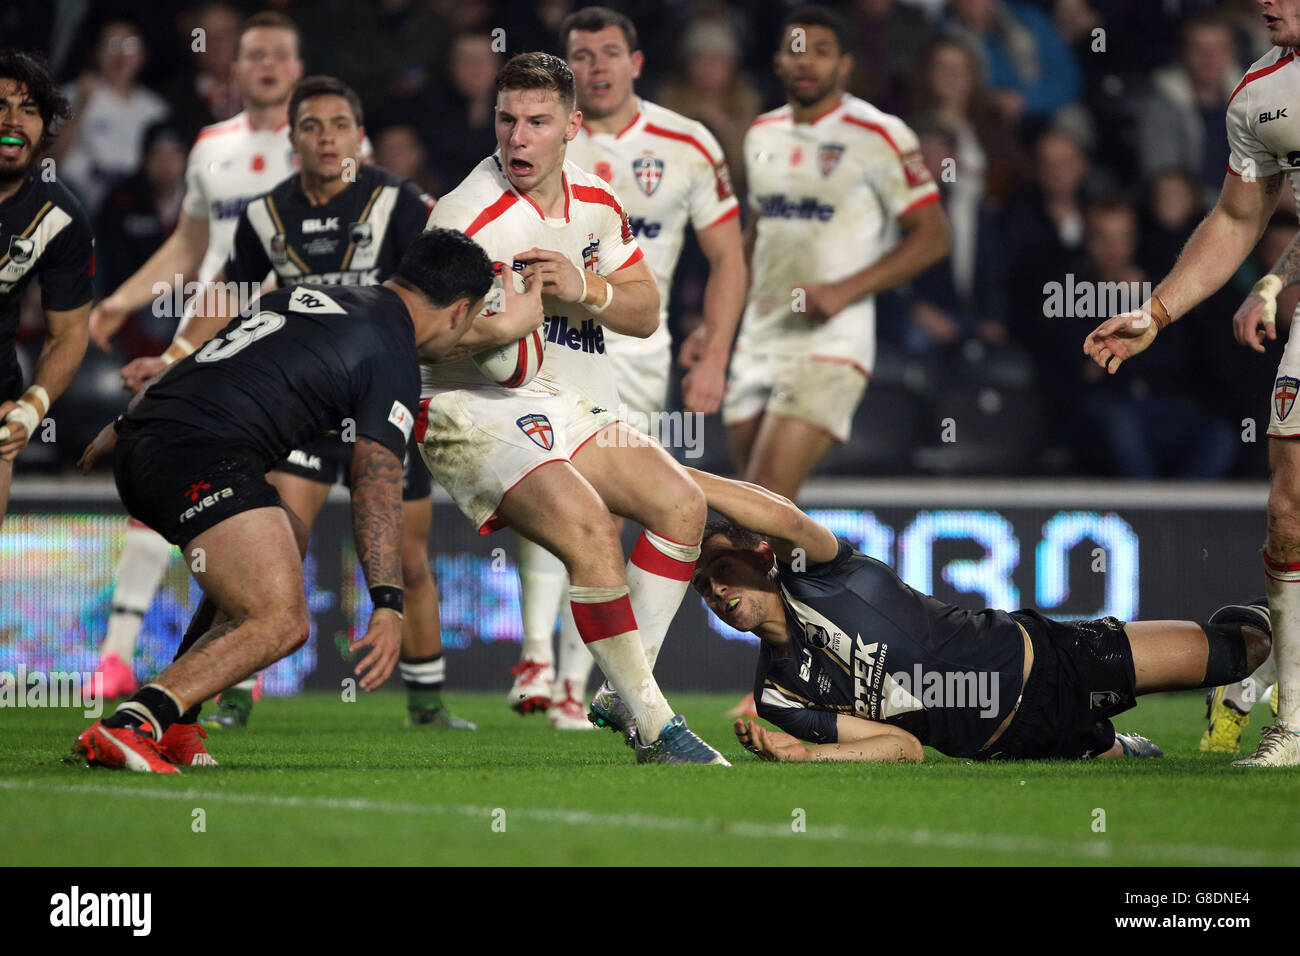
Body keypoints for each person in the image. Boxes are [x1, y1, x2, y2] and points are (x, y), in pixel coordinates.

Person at [71, 228, 510, 773]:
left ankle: (179, 720)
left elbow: (213, 357)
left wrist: (125, 420)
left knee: (288, 537)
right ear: (458, 311)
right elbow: (374, 482)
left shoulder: (315, 297)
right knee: (281, 621)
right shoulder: (393, 354)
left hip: (149, 437)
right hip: (196, 458)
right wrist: (388, 602)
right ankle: (134, 723)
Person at [119, 76, 471, 731]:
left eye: (340, 124)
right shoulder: (263, 214)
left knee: (410, 555)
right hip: (302, 407)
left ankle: (427, 703)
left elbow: (431, 294)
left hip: (379, 393)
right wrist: (172, 358)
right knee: (276, 537)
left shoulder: (401, 204)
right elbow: (229, 298)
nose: (327, 137)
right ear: (293, 138)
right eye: (312, 126)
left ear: (359, 136)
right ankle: (226, 694)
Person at [421, 51, 727, 764]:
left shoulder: (596, 200)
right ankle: (659, 730)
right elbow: (421, 332)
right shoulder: (464, 218)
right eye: (506, 121)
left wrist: (582, 289)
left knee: (683, 506)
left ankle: (623, 690)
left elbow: (647, 313)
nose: (517, 137)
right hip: (472, 404)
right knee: (589, 527)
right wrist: (503, 326)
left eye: (536, 122)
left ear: (571, 127)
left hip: (567, 400)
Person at [490, 6, 746, 731]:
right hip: (548, 338)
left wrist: (716, 350)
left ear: (636, 63)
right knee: (550, 488)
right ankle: (538, 656)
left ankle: (574, 680)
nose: (598, 66)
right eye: (582, 55)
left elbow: (728, 254)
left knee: (605, 513)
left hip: (637, 346)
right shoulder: (538, 139)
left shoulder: (686, 142)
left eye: (610, 53)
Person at [686, 467, 1272, 763]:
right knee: (1133, 762)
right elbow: (900, 749)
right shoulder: (777, 696)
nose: (715, 589)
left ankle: (1258, 653)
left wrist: (676, 478)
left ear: (760, 555)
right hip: (1008, 748)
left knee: (1240, 649)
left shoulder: (817, 571)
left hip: (1048, 663)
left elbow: (784, 516)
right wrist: (803, 754)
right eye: (702, 587)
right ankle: (1120, 743)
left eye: (721, 569)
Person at [1082, 0, 1300, 766]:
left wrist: (1272, 282)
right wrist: (1158, 311)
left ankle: (1262, 678)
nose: (1265, 4)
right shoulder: (1260, 95)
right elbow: (1240, 216)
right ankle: (1295, 725)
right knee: (1288, 506)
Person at [88, 11, 305, 702]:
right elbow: (188, 246)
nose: (268, 65)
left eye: (280, 54)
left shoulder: (321, 150)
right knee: (164, 476)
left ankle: (235, 658)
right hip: (203, 338)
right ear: (234, 70)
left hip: (281, 348)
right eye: (256, 55)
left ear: (297, 69)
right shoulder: (212, 143)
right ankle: (119, 655)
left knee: (259, 505)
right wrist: (122, 300)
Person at [723, 5, 950, 502]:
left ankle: (830, 578)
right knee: (758, 516)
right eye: (795, 51)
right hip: (759, 339)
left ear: (845, 64)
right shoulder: (761, 132)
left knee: (760, 498)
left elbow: (934, 235)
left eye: (821, 52)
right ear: (778, 61)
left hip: (830, 342)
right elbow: (756, 233)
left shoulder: (879, 134)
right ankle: (811, 580)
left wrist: (844, 290)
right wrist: (716, 329)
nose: (806, 63)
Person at [0, 51, 95, 525]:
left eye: (29, 110)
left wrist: (31, 409)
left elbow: (70, 332)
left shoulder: (60, 216)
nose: (12, 121)